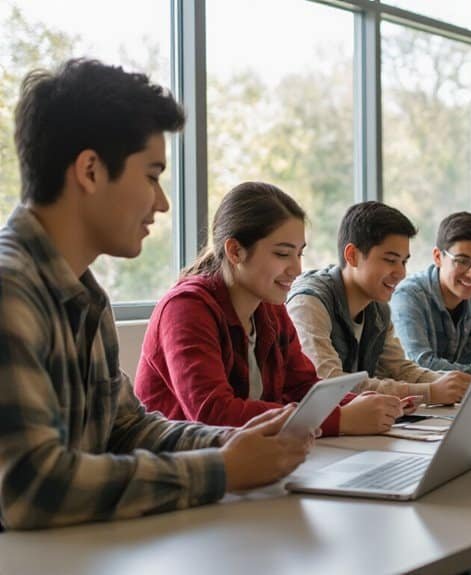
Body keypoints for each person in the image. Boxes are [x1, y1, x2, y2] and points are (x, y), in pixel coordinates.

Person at [0, 59, 310, 530]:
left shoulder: (86, 297)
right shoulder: (11, 293)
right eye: (151, 175)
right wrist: (222, 470)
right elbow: (32, 486)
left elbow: (125, 428)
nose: (162, 202)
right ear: (90, 170)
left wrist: (230, 442)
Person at [135, 182, 404, 435]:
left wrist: (363, 404)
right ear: (235, 251)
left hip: (249, 460)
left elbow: (303, 388)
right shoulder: (186, 308)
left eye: (299, 254)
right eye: (283, 254)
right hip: (185, 469)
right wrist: (342, 419)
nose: (297, 269)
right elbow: (213, 413)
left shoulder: (270, 308)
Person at [286, 201, 471, 404]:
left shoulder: (377, 307)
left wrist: (455, 385)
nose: (401, 273)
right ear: (352, 256)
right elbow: (329, 384)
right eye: (390, 260)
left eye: (404, 261)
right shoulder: (309, 302)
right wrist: (429, 392)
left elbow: (399, 369)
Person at [391, 211, 471, 373]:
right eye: (462, 261)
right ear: (437, 257)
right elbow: (421, 365)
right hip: (416, 396)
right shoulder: (408, 296)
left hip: (457, 396)